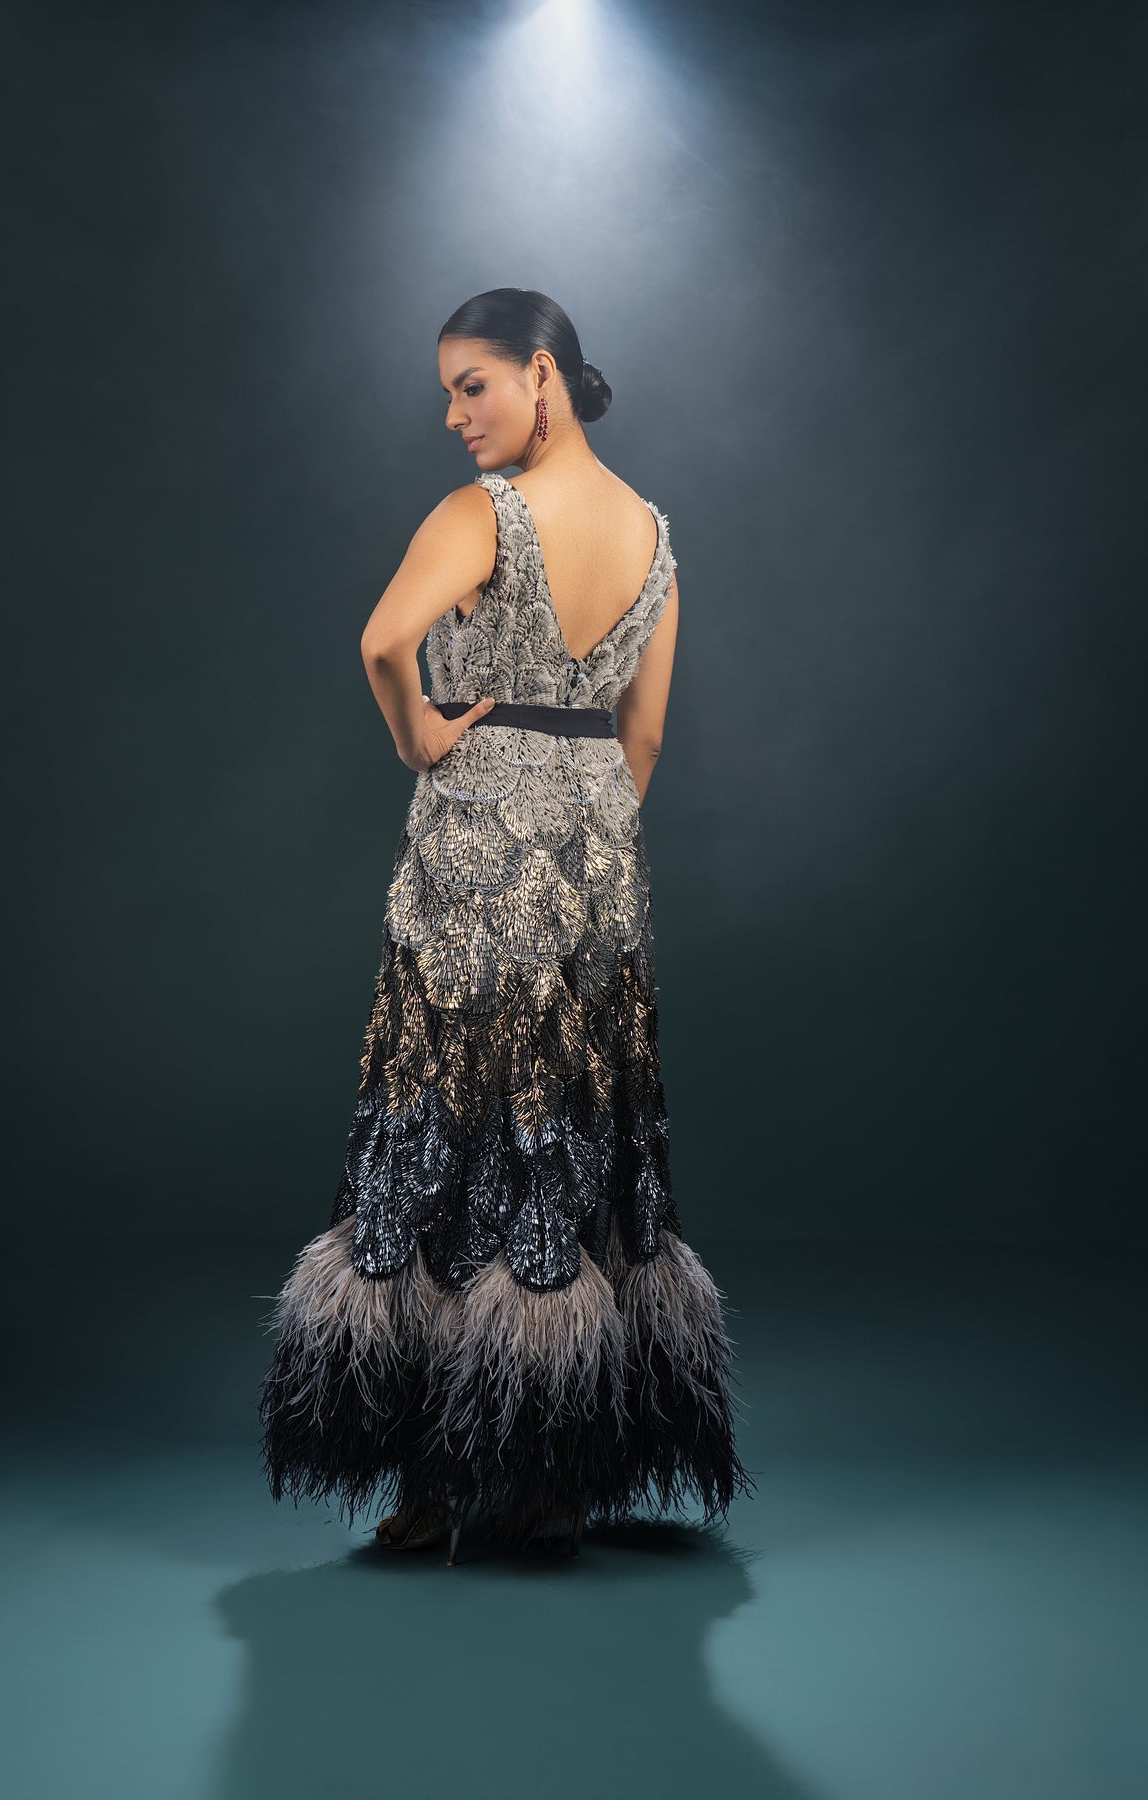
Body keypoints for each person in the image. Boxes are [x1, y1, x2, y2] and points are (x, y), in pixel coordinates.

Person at [258, 286, 756, 1563]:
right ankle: (550, 1486)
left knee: (444, 1130)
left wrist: (425, 737)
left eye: (469, 385)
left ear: (542, 374)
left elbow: (385, 641)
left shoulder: (483, 515)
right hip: (595, 871)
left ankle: (430, 1481)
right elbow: (645, 736)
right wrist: (582, 833)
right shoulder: (652, 535)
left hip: (475, 863)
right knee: (568, 1136)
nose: (452, 416)